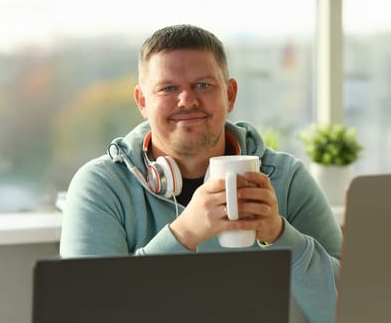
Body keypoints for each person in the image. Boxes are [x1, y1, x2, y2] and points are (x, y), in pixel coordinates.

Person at [60, 24, 343, 323]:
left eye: (204, 85)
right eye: (168, 88)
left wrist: (281, 236)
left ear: (230, 95)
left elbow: (350, 312)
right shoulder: (101, 187)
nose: (187, 100)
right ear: (143, 101)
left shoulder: (286, 178)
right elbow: (87, 312)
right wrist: (184, 235)